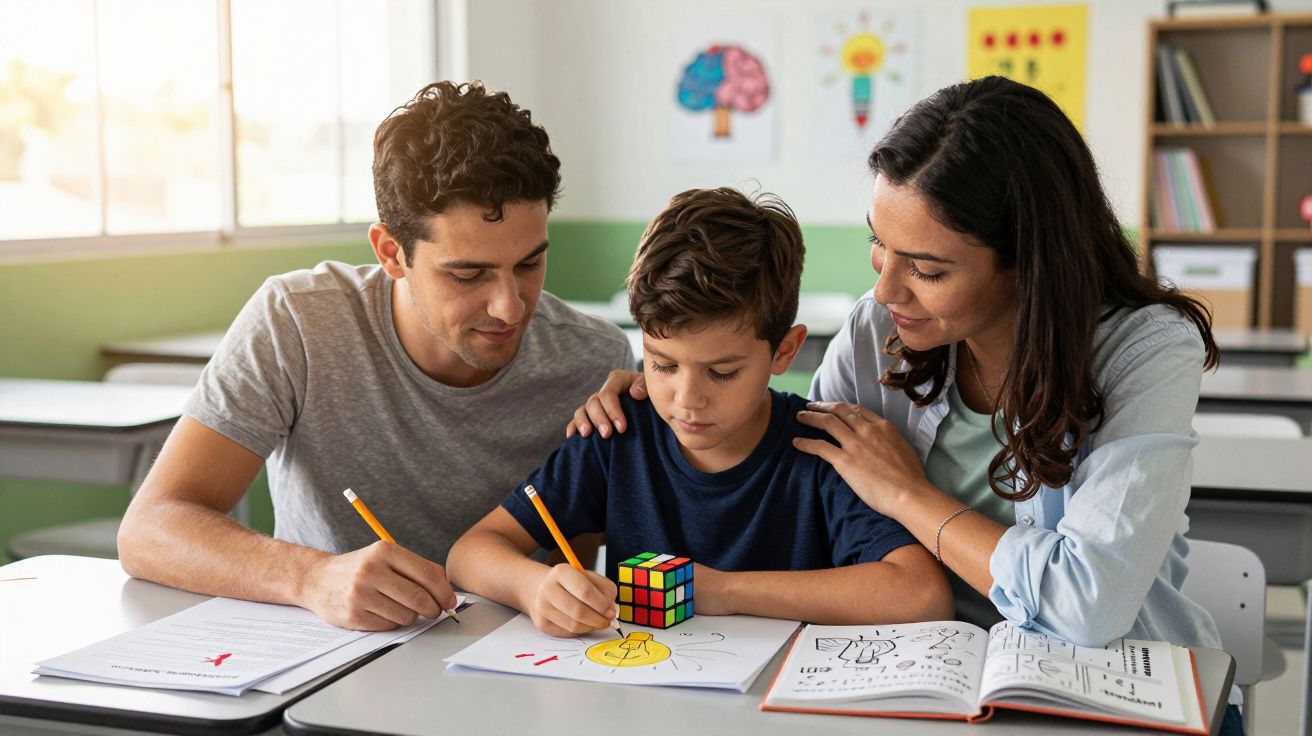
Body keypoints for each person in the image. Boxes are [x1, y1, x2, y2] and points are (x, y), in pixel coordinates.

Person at [569, 77, 1243, 733]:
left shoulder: (1144, 350)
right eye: (877, 246)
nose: (888, 290)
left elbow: (1085, 605)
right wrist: (648, 390)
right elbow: (794, 482)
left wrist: (907, 495)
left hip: (1108, 693)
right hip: (914, 679)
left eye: (927, 269)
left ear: (1026, 263)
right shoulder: (876, 333)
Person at [118, 81, 633, 632]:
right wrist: (312, 578)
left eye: (530, 264)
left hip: (514, 661)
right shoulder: (297, 321)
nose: (509, 307)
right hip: (329, 659)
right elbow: (150, 528)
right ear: (392, 252)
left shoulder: (593, 358)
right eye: (468, 274)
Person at [447, 187, 951, 637]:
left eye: (723, 372)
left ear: (784, 351)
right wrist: (533, 586)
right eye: (663, 365)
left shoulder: (822, 449)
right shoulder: (618, 432)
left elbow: (920, 594)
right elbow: (471, 552)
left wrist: (719, 591)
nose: (687, 400)